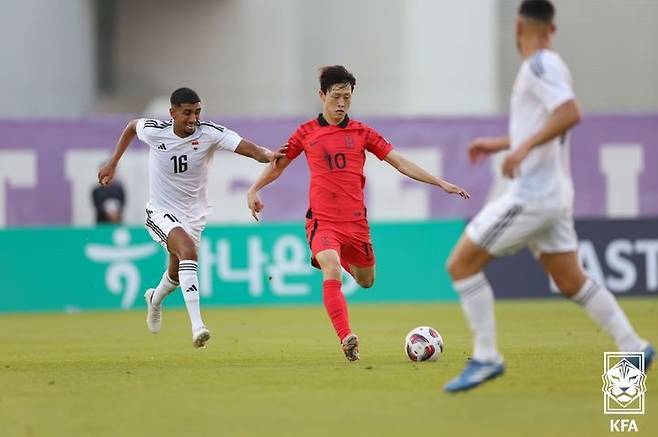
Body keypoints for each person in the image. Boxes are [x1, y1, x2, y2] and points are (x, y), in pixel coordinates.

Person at [443, 0, 654, 393]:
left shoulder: (538, 66)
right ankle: (633, 346)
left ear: (518, 26)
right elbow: (547, 122)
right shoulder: (551, 66)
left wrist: (519, 152)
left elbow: (570, 113)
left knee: (461, 265)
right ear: (551, 28)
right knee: (571, 279)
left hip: (533, 195)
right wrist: (502, 144)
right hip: (556, 195)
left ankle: (487, 357)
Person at [247, 65, 470, 361]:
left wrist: (440, 182)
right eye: (336, 96)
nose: (341, 103)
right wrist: (254, 189)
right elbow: (279, 164)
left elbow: (399, 162)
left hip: (356, 224)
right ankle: (346, 337)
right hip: (322, 221)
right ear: (322, 95)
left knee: (366, 281)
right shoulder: (305, 133)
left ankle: (336, 263)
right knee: (331, 265)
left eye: (347, 97)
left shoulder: (362, 132)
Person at [98, 87, 284, 348]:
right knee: (188, 252)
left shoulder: (209, 133)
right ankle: (198, 327)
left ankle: (154, 300)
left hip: (194, 216)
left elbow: (249, 148)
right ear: (172, 113)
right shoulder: (155, 131)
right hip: (161, 212)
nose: (193, 119)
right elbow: (131, 127)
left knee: (175, 273)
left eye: (197, 112)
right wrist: (113, 162)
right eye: (186, 113)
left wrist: (268, 155)